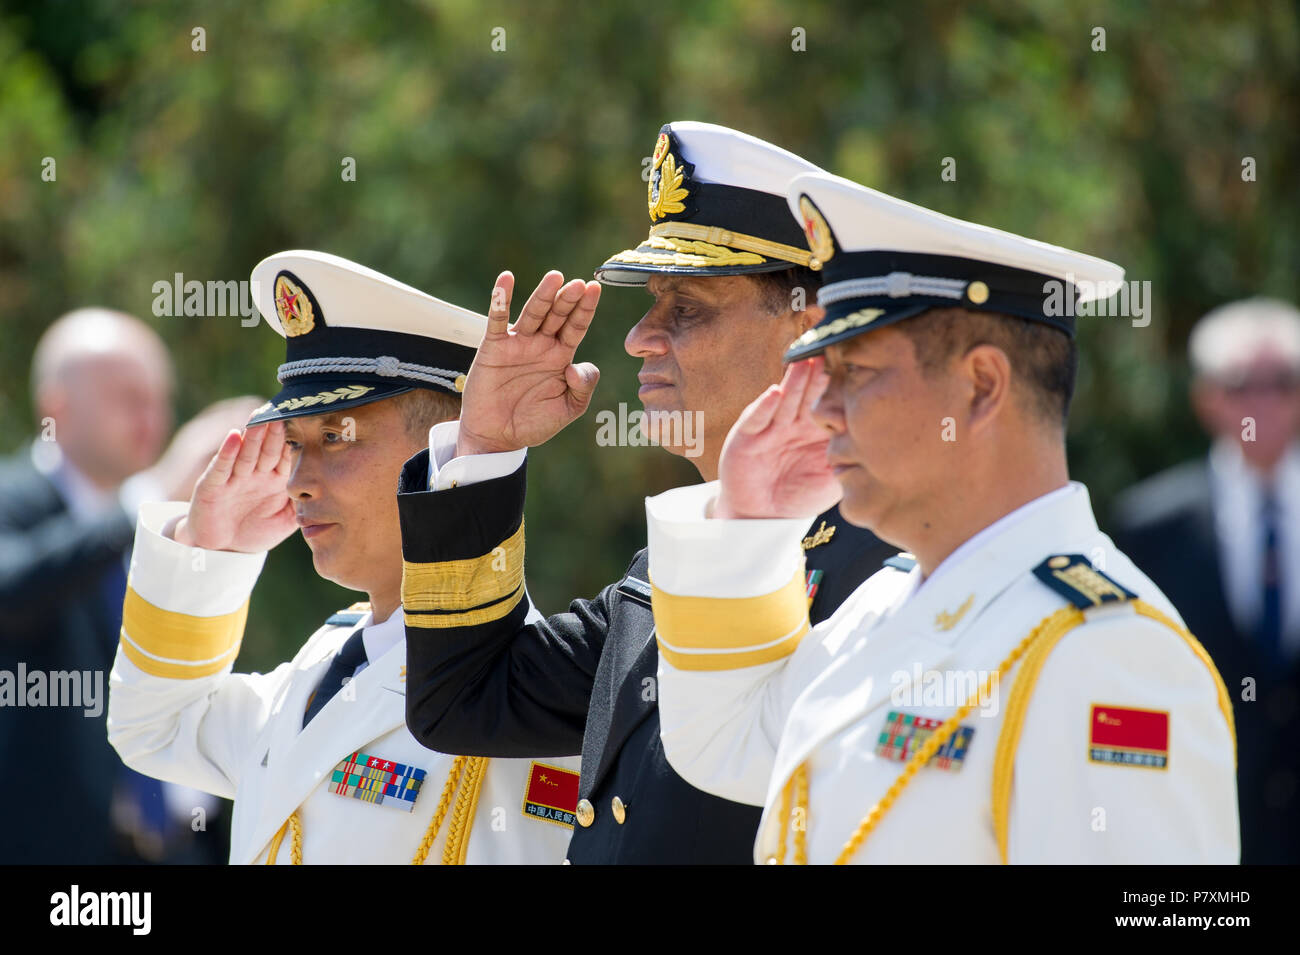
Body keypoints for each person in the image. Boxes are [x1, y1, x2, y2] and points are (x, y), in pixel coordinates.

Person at [644, 171, 1239, 863]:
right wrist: (748, 523)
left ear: (981, 386)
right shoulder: (886, 605)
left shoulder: (1108, 655)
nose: (821, 409)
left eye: (855, 374)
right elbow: (723, 745)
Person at [396, 123, 896, 863]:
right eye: (653, 303)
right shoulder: (661, 576)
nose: (638, 337)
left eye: (685, 309)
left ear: (807, 331)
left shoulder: (884, 572)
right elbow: (464, 700)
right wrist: (486, 450)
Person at [107, 251, 579, 864]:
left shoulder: (534, 690)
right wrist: (207, 551)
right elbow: (155, 729)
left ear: (449, 448)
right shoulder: (326, 661)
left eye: (335, 437)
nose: (298, 479)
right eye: (294, 444)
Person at [0, 307, 247, 864]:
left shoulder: (160, 517)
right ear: (56, 408)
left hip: (185, 847)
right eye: (128, 397)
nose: (153, 418)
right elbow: (12, 593)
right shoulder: (17, 498)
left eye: (159, 398)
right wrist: (150, 493)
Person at [1113, 298, 1300, 864]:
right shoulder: (1149, 526)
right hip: (1201, 842)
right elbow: (1127, 688)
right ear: (1206, 399)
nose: (1262, 403)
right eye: (1242, 383)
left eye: (1284, 382)